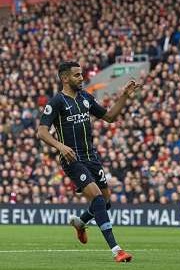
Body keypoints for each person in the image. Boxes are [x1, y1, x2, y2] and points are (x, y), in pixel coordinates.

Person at [37, 61, 143, 262]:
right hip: (72, 159)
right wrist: (60, 146)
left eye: (81, 74)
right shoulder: (57, 102)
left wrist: (124, 97)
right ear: (65, 78)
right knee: (97, 198)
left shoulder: (85, 98)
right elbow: (41, 132)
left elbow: (110, 117)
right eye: (77, 75)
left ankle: (80, 222)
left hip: (92, 158)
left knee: (106, 202)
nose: (81, 78)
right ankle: (117, 250)